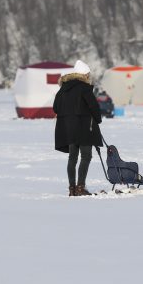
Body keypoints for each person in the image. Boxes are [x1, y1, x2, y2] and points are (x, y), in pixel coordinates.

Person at [53, 60, 103, 196]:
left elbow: (55, 108)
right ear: (84, 74)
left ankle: (72, 188)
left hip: (68, 129)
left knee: (72, 158)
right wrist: (98, 120)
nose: (89, 76)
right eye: (88, 74)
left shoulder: (63, 89)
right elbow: (94, 106)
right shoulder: (84, 88)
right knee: (86, 156)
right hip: (84, 128)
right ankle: (80, 187)